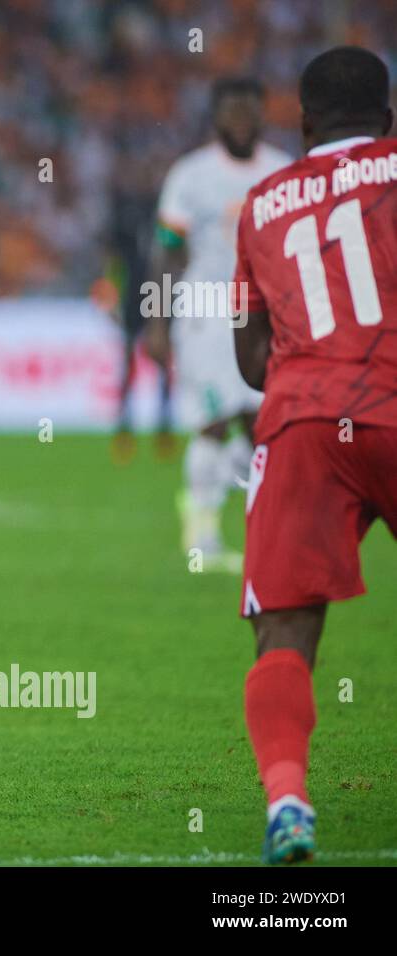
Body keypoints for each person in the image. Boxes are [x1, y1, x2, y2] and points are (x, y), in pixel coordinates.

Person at [232, 46, 397, 863]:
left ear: (300, 124)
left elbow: (249, 359)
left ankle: (288, 799)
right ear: (389, 116)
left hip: (301, 421)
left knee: (284, 635)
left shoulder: (262, 201)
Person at [147, 78, 291, 570]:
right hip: (205, 306)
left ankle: (262, 533)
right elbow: (168, 252)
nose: (241, 122)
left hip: (263, 311)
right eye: (232, 113)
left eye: (249, 112)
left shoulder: (281, 172)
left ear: (261, 115)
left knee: (261, 426)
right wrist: (158, 321)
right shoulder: (190, 175)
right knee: (213, 421)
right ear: (216, 118)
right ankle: (201, 538)